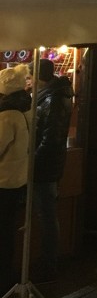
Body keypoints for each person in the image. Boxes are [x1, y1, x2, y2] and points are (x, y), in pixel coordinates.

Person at [32, 58, 73, 282]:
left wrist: (32, 162)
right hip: (51, 165)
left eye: (31, 78)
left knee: (47, 216)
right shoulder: (57, 95)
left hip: (45, 168)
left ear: (39, 78)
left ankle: (49, 264)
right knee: (47, 215)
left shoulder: (53, 99)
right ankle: (47, 261)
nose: (29, 82)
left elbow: (50, 138)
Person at [0, 64, 31, 294]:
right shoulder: (28, 110)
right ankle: (7, 275)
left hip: (3, 181)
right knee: (8, 231)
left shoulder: (8, 115)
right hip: (19, 179)